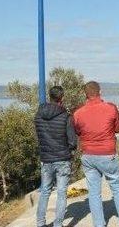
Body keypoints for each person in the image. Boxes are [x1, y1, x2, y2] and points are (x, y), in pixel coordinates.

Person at [73, 81, 119, 227]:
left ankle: (99, 224)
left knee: (94, 193)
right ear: (100, 91)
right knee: (117, 188)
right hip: (107, 153)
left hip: (88, 155)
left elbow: (78, 131)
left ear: (85, 94)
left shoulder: (78, 113)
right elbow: (118, 128)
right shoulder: (110, 108)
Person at [34, 85, 77, 227]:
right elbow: (72, 141)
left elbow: (39, 136)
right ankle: (58, 224)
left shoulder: (38, 115)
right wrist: (69, 149)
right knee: (62, 193)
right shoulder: (66, 116)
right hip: (62, 159)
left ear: (50, 96)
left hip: (46, 159)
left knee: (45, 191)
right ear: (62, 98)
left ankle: (40, 223)